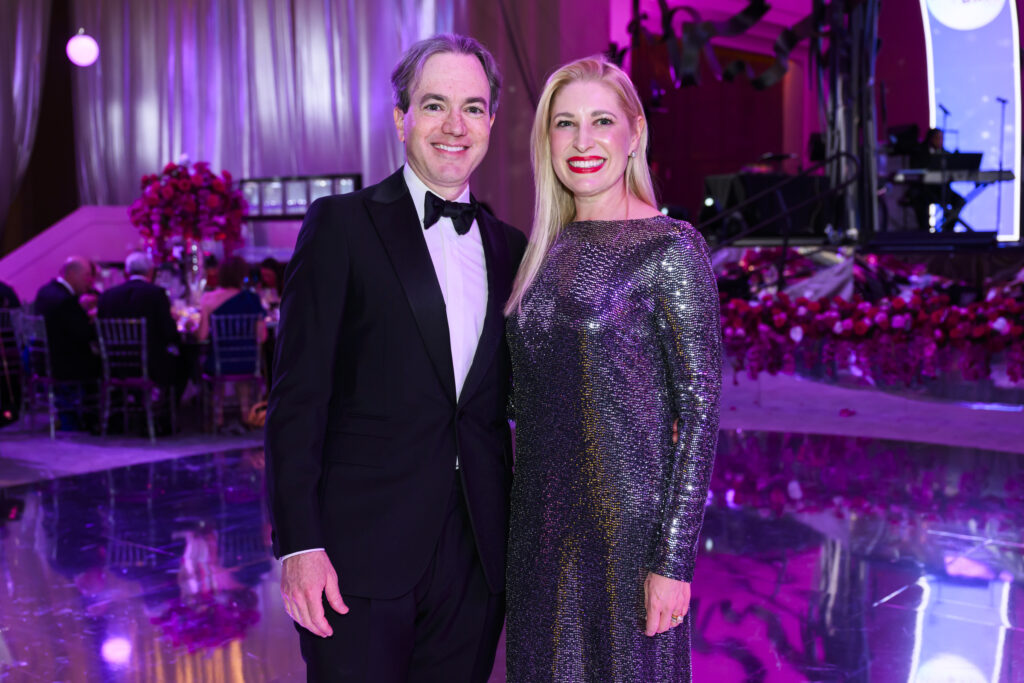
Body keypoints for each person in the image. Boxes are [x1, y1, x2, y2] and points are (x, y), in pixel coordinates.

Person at [265, 34, 526, 682]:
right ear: (400, 116)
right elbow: (298, 401)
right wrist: (299, 542)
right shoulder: (340, 226)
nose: (454, 126)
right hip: (358, 557)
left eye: (472, 107)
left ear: (492, 120)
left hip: (477, 556)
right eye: (434, 104)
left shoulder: (512, 249)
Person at [503, 57, 721, 682]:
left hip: (628, 543)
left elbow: (700, 411)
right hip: (538, 538)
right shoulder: (544, 249)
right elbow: (528, 395)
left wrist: (674, 562)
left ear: (634, 133)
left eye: (602, 121)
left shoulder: (669, 246)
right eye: (565, 124)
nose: (583, 141)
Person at [97, 252, 184, 395]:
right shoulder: (156, 294)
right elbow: (169, 333)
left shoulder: (107, 296)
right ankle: (166, 411)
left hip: (114, 365)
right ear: (151, 271)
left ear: (126, 272)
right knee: (183, 362)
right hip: (150, 365)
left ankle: (127, 404)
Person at [34, 256, 101, 381]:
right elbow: (84, 334)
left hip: (41, 361)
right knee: (108, 363)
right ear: (71, 274)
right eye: (87, 276)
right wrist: (93, 319)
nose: (90, 281)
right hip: (64, 365)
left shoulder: (44, 291)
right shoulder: (66, 301)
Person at [910, 127, 966, 232]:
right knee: (919, 200)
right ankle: (924, 233)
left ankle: (947, 230)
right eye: (937, 138)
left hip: (941, 190)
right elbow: (915, 171)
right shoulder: (919, 151)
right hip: (924, 189)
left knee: (959, 201)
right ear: (930, 138)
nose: (940, 141)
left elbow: (954, 171)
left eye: (942, 138)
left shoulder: (945, 154)